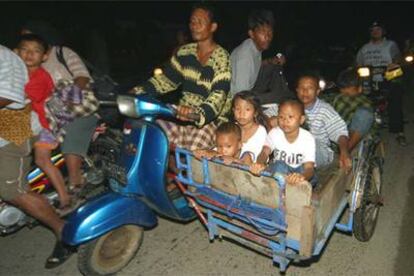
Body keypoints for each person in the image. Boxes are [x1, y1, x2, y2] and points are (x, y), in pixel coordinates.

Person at [0, 45, 71, 269]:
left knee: (12, 190)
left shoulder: (5, 57)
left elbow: (9, 96)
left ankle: (64, 231)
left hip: (14, 130)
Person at [130, 3, 232, 152]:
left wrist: (197, 113)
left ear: (213, 27)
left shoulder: (222, 57)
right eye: (192, 21)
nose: (194, 25)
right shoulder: (184, 52)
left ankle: (182, 172)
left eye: (200, 22)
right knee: (149, 133)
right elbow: (165, 81)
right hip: (182, 115)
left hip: (210, 121)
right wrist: (137, 91)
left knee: (194, 156)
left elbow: (218, 96)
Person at [21, 20, 99, 191]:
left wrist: (67, 97)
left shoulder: (61, 52)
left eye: (30, 37)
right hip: (47, 115)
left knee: (72, 131)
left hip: (75, 108)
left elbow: (82, 77)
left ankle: (75, 182)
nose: (26, 46)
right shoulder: (26, 64)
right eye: (24, 43)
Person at [15, 33, 72, 209]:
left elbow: (18, 98)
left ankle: (65, 198)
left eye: (36, 51)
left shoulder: (40, 76)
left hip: (45, 126)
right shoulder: (17, 73)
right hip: (27, 125)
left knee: (42, 160)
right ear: (16, 52)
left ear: (44, 56)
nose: (29, 54)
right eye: (25, 50)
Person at [356, 21, 406, 146]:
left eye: (378, 29)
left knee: (395, 98)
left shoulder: (390, 44)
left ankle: (399, 132)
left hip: (388, 76)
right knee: (362, 101)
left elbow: (397, 57)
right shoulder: (365, 48)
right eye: (373, 30)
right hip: (369, 79)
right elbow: (357, 63)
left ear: (383, 31)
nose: (375, 32)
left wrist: (394, 62)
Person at [250, 100, 316, 186]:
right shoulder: (274, 133)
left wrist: (301, 176)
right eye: (281, 117)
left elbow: (309, 168)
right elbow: (264, 152)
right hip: (280, 172)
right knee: (278, 165)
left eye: (290, 117)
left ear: (301, 119)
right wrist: (259, 164)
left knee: (312, 176)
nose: (285, 120)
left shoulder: (308, 138)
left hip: (299, 172)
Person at [296, 73, 352, 171]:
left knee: (310, 142)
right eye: (301, 88)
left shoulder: (325, 110)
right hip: (296, 152)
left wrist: (344, 152)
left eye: (310, 88)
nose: (305, 91)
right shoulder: (292, 108)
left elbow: (339, 132)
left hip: (320, 152)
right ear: (297, 91)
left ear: (317, 91)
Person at [230, 9, 275, 95]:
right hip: (235, 101)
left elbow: (255, 63)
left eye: (270, 32)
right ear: (252, 34)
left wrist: (270, 61)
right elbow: (241, 95)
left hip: (247, 93)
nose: (267, 36)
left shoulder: (253, 46)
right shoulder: (245, 56)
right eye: (262, 32)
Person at [331, 67, 374, 151]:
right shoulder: (335, 98)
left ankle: (345, 152)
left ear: (360, 89)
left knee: (364, 114)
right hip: (337, 133)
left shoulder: (364, 103)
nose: (346, 96)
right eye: (344, 93)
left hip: (353, 134)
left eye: (349, 93)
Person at [232, 90, 267, 162]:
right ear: (233, 110)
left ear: (255, 113)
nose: (241, 113)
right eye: (238, 109)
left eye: (247, 109)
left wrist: (234, 160)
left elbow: (257, 159)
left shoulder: (261, 131)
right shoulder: (231, 129)